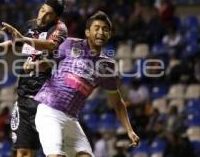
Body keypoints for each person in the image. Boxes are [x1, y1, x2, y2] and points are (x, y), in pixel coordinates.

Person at [0, 0, 68, 157]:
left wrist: (24, 40)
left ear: (56, 17)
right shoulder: (31, 25)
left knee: (53, 152)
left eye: (48, 14)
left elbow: (51, 45)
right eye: (42, 10)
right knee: (22, 151)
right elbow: (14, 44)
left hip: (46, 100)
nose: (42, 16)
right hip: (23, 98)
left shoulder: (60, 29)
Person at [32, 11, 139, 156]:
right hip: (49, 111)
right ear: (87, 32)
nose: (101, 32)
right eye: (97, 28)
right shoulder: (69, 44)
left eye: (105, 29)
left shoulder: (107, 66)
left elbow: (117, 102)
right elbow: (49, 61)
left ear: (109, 35)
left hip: (71, 119)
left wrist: (129, 130)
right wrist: (38, 64)